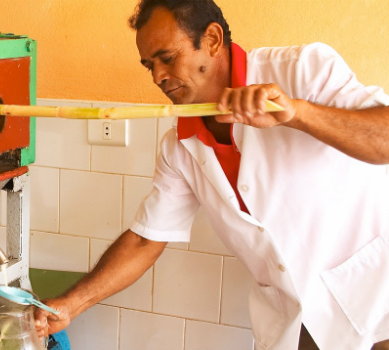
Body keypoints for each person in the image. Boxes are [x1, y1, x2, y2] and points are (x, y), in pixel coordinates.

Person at [34, 1, 389, 349]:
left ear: (213, 40)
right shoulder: (179, 145)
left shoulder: (303, 70)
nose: (158, 76)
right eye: (149, 66)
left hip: (373, 293)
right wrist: (69, 305)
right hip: (299, 321)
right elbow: (145, 241)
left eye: (167, 58)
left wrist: (296, 113)